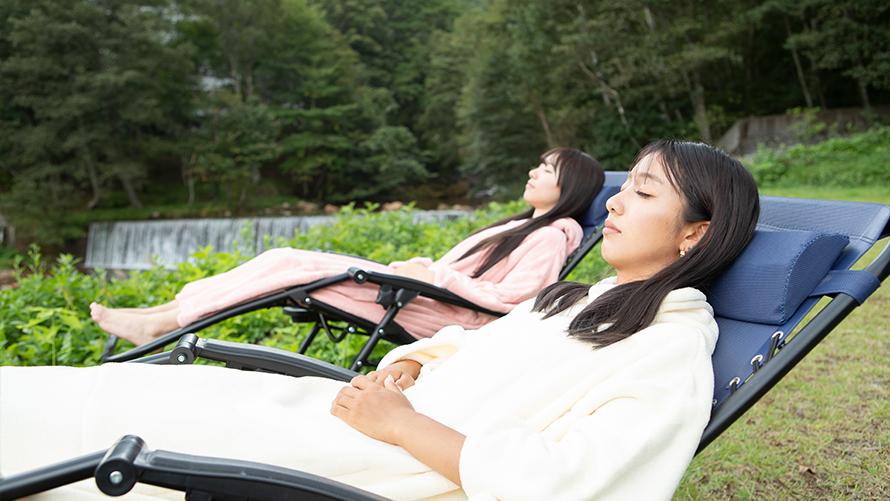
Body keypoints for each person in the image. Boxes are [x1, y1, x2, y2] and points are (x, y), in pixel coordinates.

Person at [0, 140, 759, 500]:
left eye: (644, 193)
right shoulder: (581, 298)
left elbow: (565, 484)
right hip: (364, 421)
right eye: (625, 186)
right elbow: (467, 341)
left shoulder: (668, 347)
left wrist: (402, 427)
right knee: (148, 391)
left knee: (122, 426)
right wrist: (414, 362)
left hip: (381, 463)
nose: (616, 202)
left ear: (695, 233)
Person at [89, 147, 604, 345]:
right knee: (280, 259)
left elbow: (516, 302)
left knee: (287, 262)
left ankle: (163, 323)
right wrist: (428, 271)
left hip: (437, 312)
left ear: (569, 187)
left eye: (546, 169)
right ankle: (165, 314)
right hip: (420, 294)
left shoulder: (550, 236)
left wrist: (435, 275)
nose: (532, 171)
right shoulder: (519, 226)